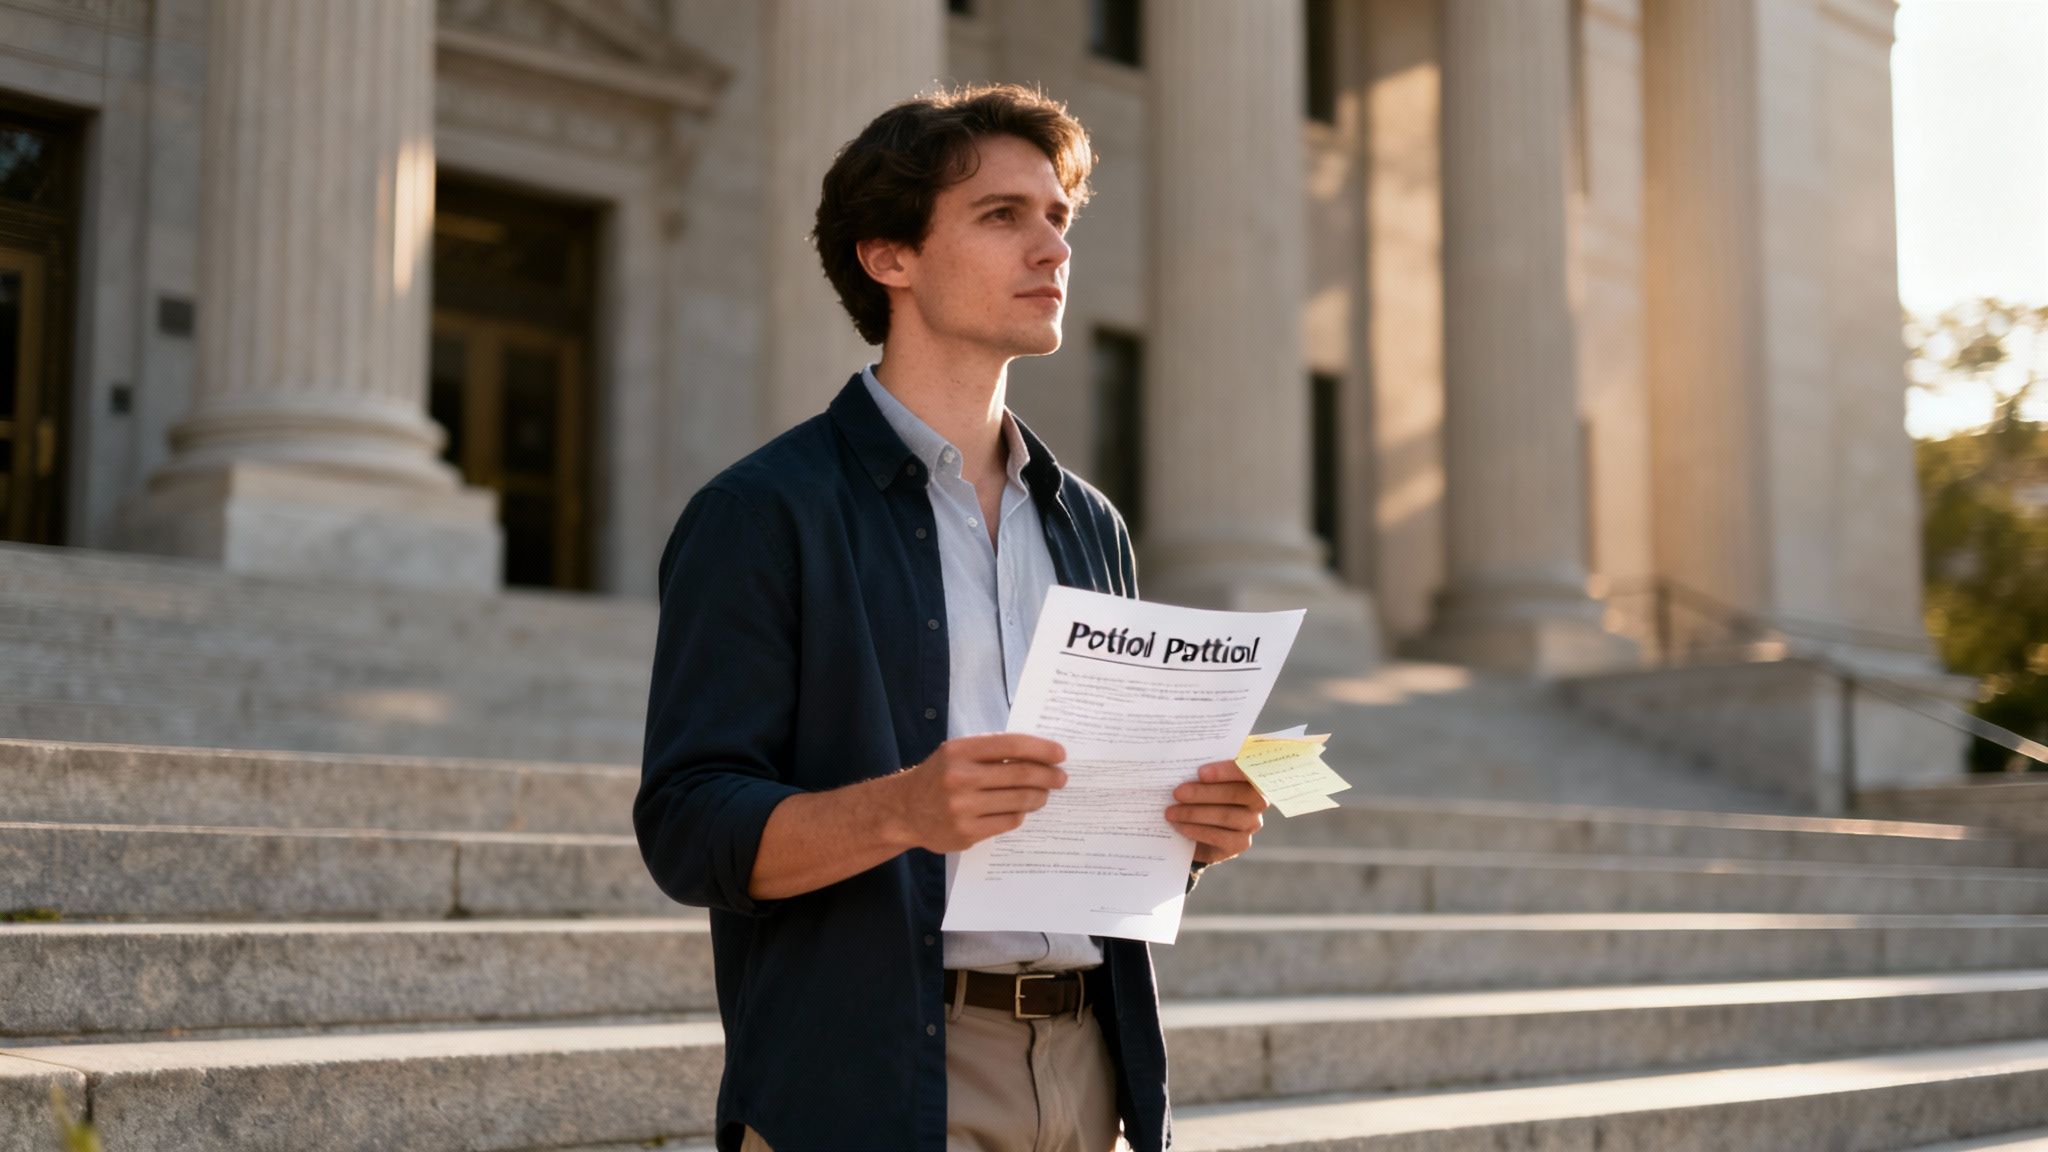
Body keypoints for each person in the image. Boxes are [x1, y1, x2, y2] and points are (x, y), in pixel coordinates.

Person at [636, 83, 1272, 1152]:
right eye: (1001, 216)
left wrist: (1190, 831)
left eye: (1057, 217)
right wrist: (901, 811)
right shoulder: (757, 513)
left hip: (1091, 1070)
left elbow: (1090, 816)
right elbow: (689, 828)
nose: (1051, 249)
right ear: (888, 257)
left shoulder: (1089, 524)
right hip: (869, 1076)